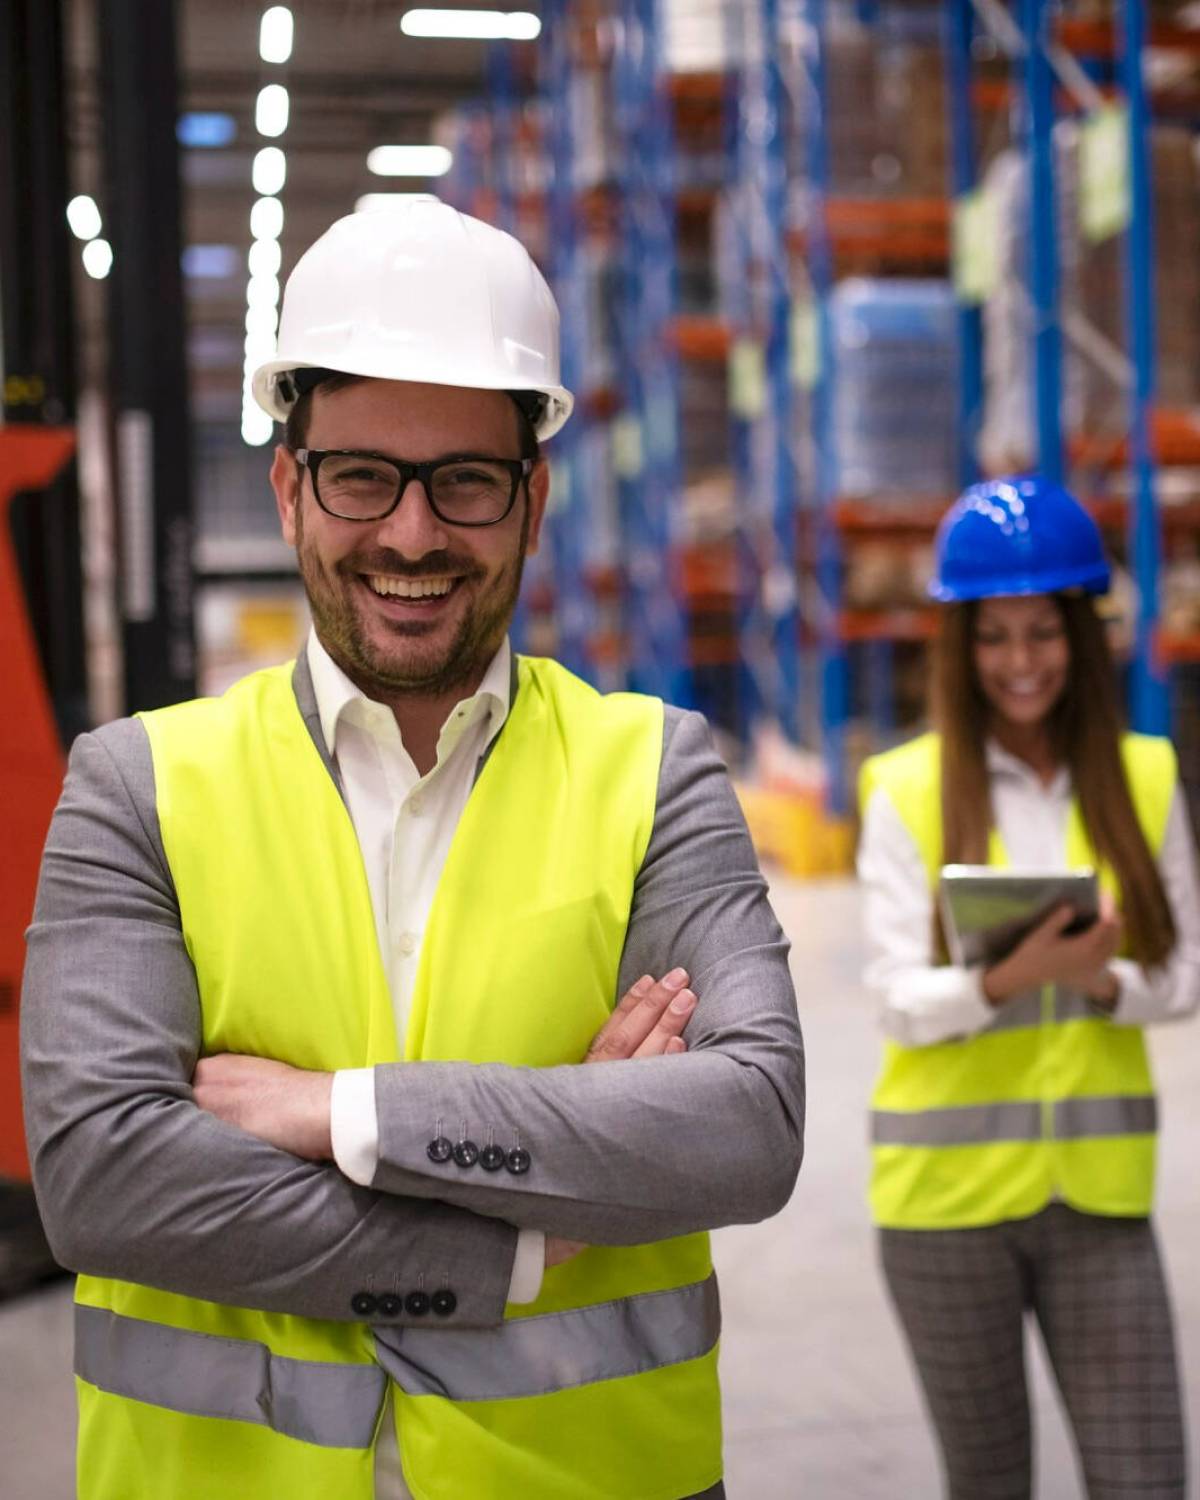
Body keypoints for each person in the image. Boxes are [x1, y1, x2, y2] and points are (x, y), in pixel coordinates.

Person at [20, 200, 805, 1500]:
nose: (412, 534)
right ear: (289, 488)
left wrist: (343, 1113)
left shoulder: (653, 770)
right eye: (362, 475)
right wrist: (519, 1235)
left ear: (533, 500)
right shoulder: (139, 786)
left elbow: (748, 1130)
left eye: (467, 481)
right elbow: (105, 1179)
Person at [857, 474, 1199, 1500]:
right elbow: (894, 999)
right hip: (942, 1211)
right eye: (995, 637)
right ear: (961, 646)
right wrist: (1009, 980)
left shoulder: (1142, 775)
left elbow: (1181, 976)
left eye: (1042, 633)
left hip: (1099, 1201)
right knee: (991, 1482)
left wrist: (1100, 986)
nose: (1019, 663)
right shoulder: (907, 788)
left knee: (1146, 1477)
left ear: (1080, 637)